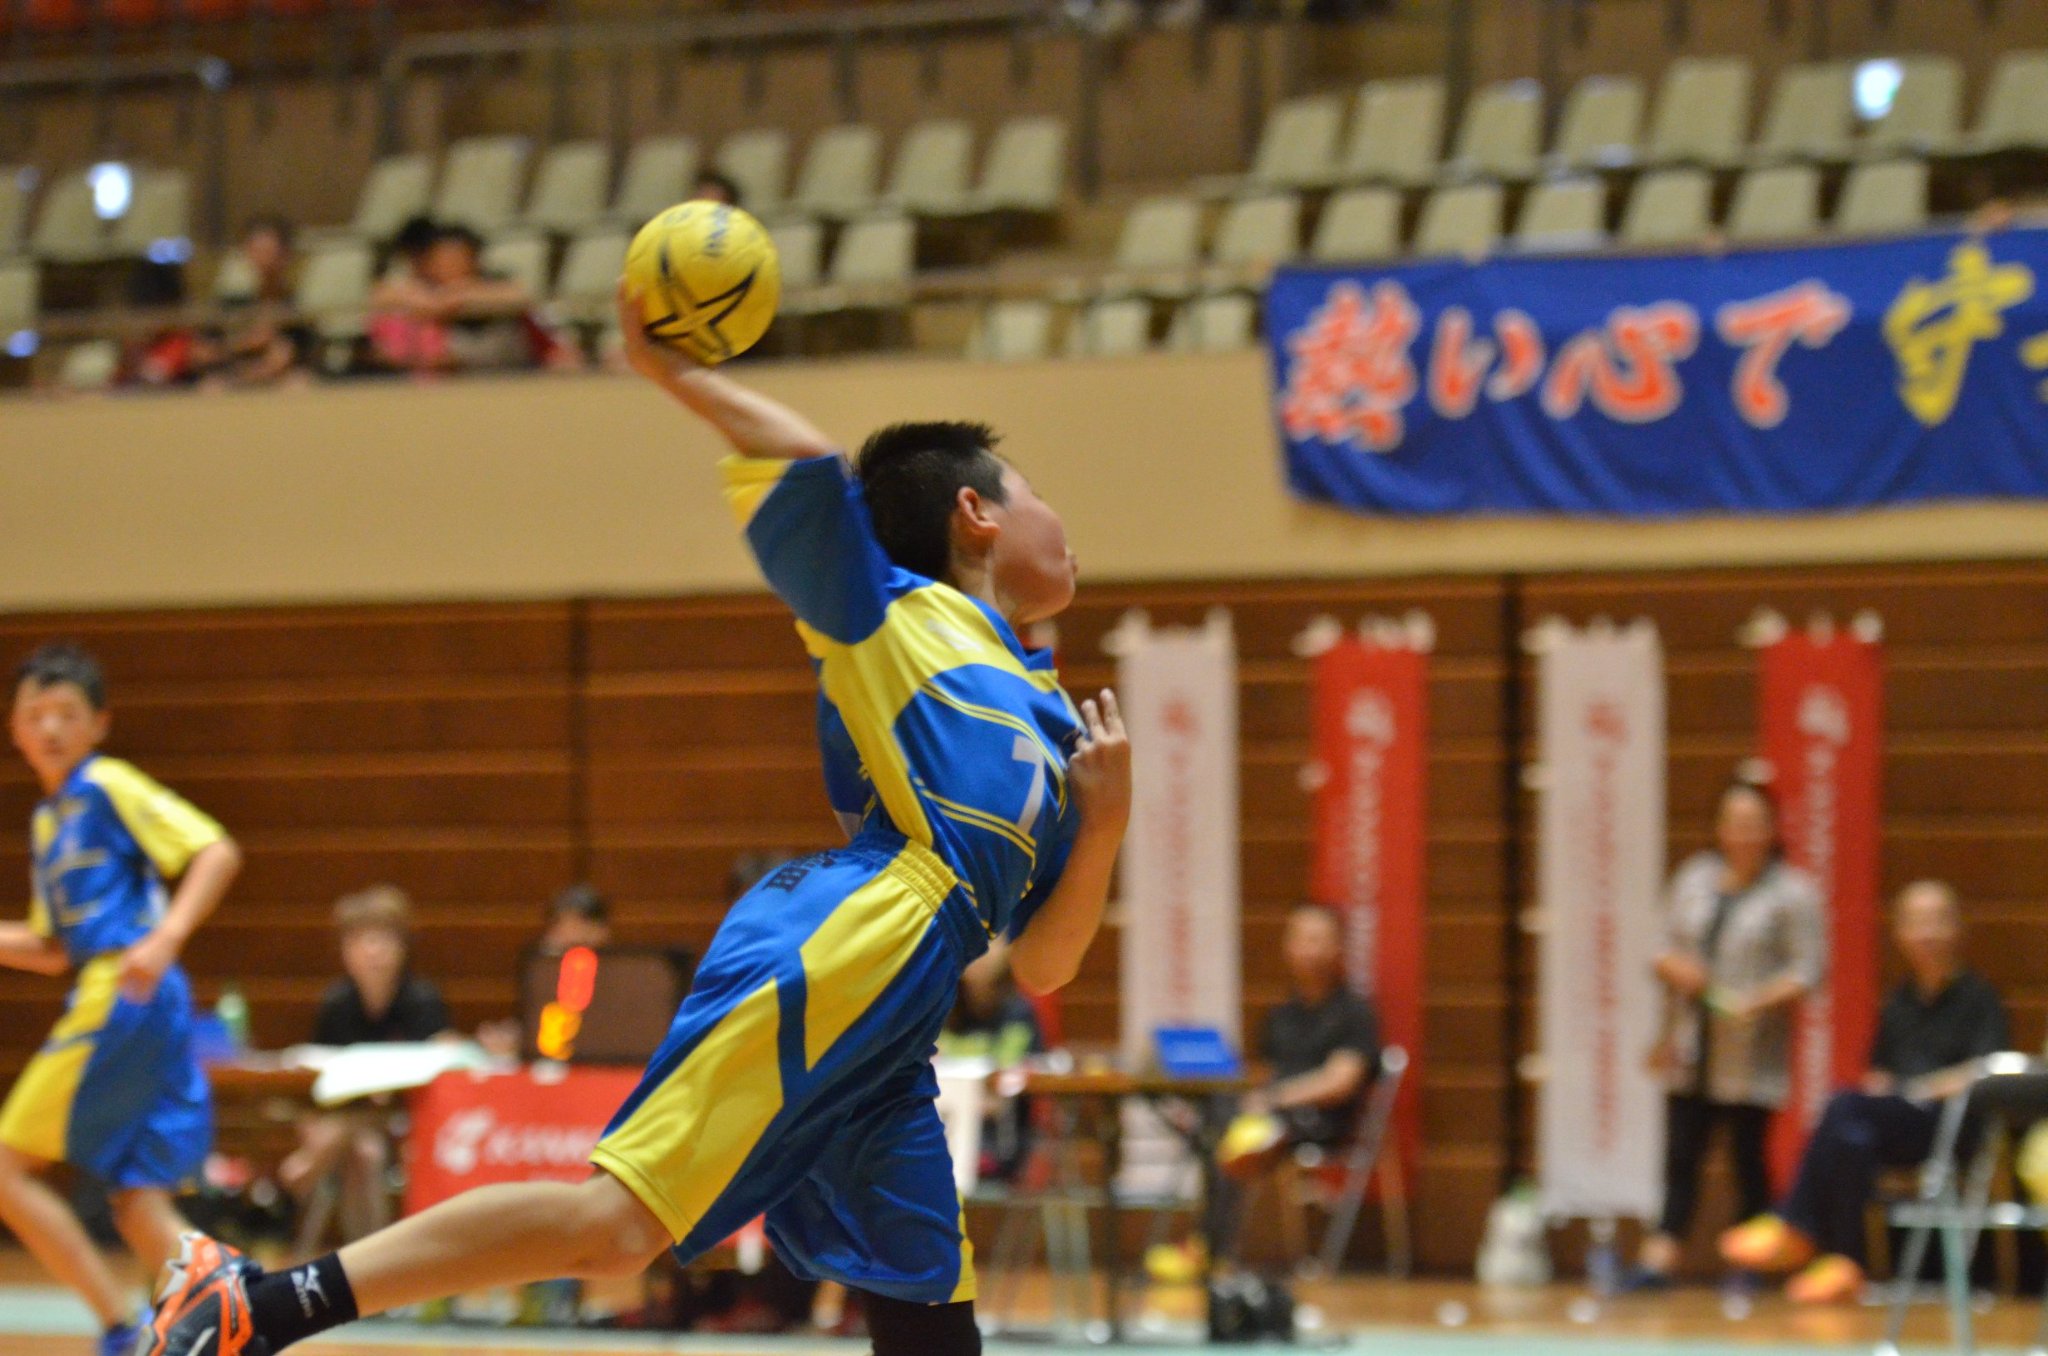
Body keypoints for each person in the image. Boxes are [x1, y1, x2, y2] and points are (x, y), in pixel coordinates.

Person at [146, 281, 1132, 1356]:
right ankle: (257, 1304)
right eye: (1036, 496)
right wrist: (675, 370)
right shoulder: (895, 615)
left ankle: (252, 1305)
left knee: (925, 1314)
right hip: (847, 950)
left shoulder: (1047, 714)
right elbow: (811, 467)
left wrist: (1106, 827)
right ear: (975, 513)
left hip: (906, 1004)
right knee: (617, 1229)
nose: (1062, 523)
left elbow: (1044, 965)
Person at [0, 644, 243, 1356]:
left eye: (66, 713)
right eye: (35, 714)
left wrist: (166, 937)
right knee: (139, 1203)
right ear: (14, 728)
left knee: (4, 1170)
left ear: (99, 723)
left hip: (125, 994)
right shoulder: (49, 821)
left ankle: (119, 1328)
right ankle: (235, 1316)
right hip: (136, 995)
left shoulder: (107, 783)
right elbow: (52, 948)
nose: (50, 728)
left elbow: (216, 851)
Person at [1720, 880, 2008, 1303]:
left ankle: (1795, 1224)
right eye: (1916, 922)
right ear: (1900, 932)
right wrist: (1887, 1089)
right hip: (1896, 1123)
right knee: (1851, 1138)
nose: (1927, 934)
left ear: (1957, 929)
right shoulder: (1899, 1003)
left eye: (1937, 921)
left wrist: (1923, 1089)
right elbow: (1878, 1073)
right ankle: (1845, 1263)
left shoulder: (1980, 998)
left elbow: (1988, 1072)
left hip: (1951, 1128)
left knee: (1843, 1106)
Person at [1626, 781, 1826, 1290]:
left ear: (1772, 829)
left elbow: (1808, 969)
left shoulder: (1791, 893)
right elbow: (1660, 946)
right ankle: (1659, 1258)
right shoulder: (1695, 879)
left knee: (1746, 1158)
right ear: (1718, 828)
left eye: (1754, 823)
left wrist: (1755, 1001)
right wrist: (1676, 974)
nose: (1743, 834)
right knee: (1681, 1153)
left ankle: (1752, 1261)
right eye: (1734, 823)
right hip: (1691, 1042)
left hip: (1751, 1048)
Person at [1150, 903, 1379, 1280]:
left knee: (1228, 1135)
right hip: (1269, 1118)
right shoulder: (1281, 1015)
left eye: (1318, 940)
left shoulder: (1354, 1012)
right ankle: (1209, 1245)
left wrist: (1272, 1099)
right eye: (1302, 939)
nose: (1309, 949)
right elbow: (1264, 1074)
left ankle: (1212, 1249)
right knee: (1219, 1118)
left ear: (1338, 948)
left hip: (1320, 1124)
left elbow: (1340, 1082)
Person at [278, 886, 450, 1243]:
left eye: (383, 940)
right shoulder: (336, 1004)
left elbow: (436, 1071)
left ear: (402, 947)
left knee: (361, 1143)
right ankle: (372, 1256)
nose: (373, 951)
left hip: (405, 1120)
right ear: (345, 950)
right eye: (361, 941)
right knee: (364, 1152)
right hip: (350, 1118)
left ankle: (315, 1162)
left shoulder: (422, 1001)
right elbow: (322, 1078)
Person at [367, 222, 560, 374]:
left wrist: (460, 294)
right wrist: (434, 303)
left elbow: (522, 297)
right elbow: (381, 296)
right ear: (429, 262)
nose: (452, 265)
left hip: (503, 371)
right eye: (444, 259)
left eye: (459, 258)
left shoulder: (494, 282)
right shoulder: (417, 288)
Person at [938, 944, 1045, 1183]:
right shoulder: (942, 1008)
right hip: (945, 1125)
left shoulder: (1019, 1011)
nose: (981, 956)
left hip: (1004, 1134)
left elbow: (1030, 1068)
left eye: (991, 943)